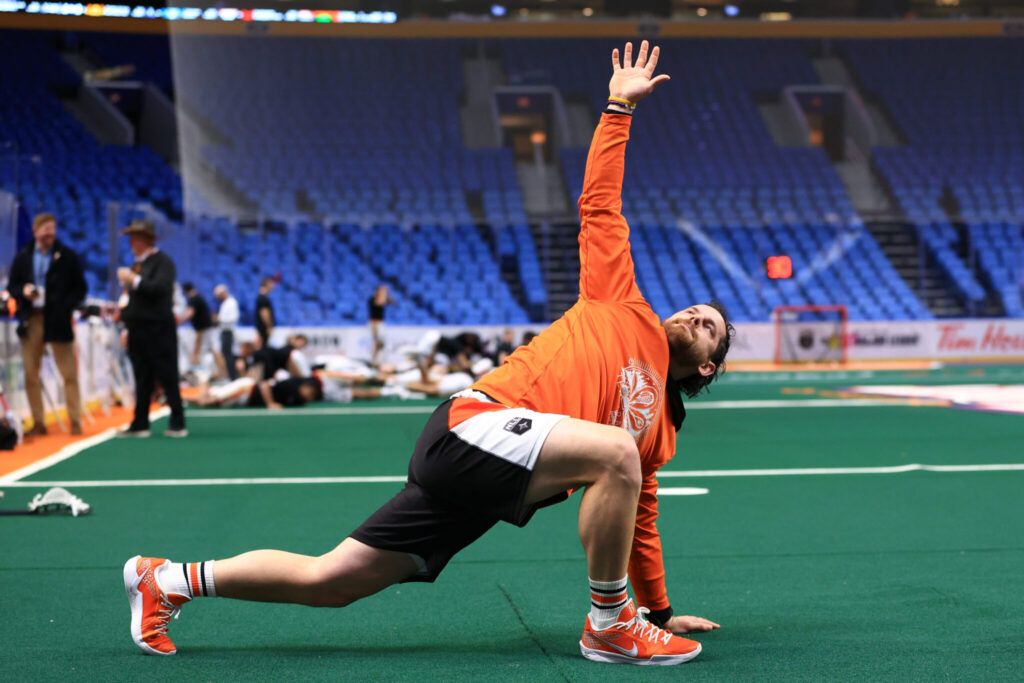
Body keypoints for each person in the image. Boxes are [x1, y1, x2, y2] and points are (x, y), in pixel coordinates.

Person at [123, 41, 733, 666]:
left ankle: (167, 580)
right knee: (614, 452)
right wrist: (618, 110)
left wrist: (662, 613)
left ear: (708, 366)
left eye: (709, 324)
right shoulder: (620, 303)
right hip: (475, 426)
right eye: (692, 307)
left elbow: (639, 526)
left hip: (484, 487)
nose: (692, 314)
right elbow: (600, 205)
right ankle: (609, 624)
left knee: (332, 581)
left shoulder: (658, 434)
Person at [6, 213, 87, 436]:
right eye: (45, 228)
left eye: (53, 228)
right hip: (31, 318)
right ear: (35, 231)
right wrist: (23, 291)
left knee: (69, 373)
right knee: (31, 373)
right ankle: (39, 422)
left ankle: (75, 421)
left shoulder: (67, 256)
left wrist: (64, 306)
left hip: (58, 320)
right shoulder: (23, 256)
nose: (50, 232)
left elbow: (80, 289)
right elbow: (12, 286)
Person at [116, 219, 187, 438]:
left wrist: (134, 280)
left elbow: (161, 289)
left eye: (135, 238)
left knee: (167, 374)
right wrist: (127, 328)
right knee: (141, 376)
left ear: (146, 239)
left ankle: (177, 420)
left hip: (159, 328)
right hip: (138, 328)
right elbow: (131, 301)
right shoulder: (137, 265)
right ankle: (140, 422)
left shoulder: (163, 262)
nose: (132, 242)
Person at [178, 283, 218, 374]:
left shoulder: (194, 299)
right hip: (204, 330)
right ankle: (217, 374)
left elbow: (190, 313)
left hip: (204, 330)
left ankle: (203, 374)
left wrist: (179, 322)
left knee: (203, 352)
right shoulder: (199, 297)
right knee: (201, 350)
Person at [213, 284, 239, 380]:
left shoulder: (232, 303)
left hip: (228, 332)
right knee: (225, 355)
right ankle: (230, 376)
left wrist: (219, 319)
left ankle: (233, 376)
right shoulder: (225, 303)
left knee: (228, 355)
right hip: (224, 332)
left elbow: (233, 318)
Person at [368, 284, 394, 366]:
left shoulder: (383, 298)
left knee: (382, 343)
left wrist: (387, 293)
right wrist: (383, 293)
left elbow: (392, 301)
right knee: (377, 343)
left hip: (381, 323)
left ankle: (378, 360)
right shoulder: (371, 300)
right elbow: (379, 302)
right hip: (374, 324)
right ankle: (374, 361)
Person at [254, 276, 276, 347]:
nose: (273, 287)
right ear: (267, 284)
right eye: (272, 284)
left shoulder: (261, 297)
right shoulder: (263, 298)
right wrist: (269, 326)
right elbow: (264, 313)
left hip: (261, 327)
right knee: (263, 346)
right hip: (263, 328)